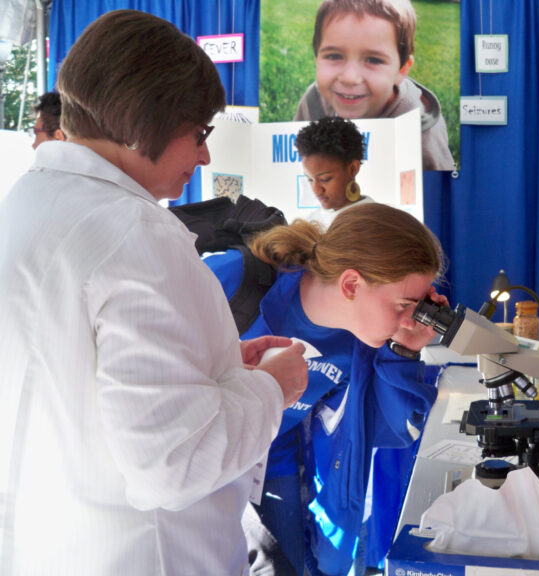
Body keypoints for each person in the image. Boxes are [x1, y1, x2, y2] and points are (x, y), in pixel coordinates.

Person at [0, 10, 308, 576]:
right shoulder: (135, 234)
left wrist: (212, 367)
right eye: (200, 134)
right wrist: (272, 388)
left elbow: (77, 378)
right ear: (145, 126)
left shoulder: (28, 202)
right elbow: (173, 463)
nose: (205, 157)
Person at [206, 203, 446, 575]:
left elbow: (387, 430)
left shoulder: (361, 341)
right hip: (204, 454)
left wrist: (404, 350)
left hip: (272, 457)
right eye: (404, 305)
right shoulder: (234, 281)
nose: (407, 319)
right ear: (351, 285)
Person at [293, 0, 454, 172]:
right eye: (334, 56)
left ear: (401, 70)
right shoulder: (313, 103)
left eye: (373, 60)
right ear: (317, 59)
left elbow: (439, 183)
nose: (350, 78)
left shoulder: (420, 130)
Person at [296, 116, 373, 229]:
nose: (316, 190)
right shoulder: (310, 223)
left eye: (325, 179)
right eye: (310, 180)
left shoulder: (377, 222)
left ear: (353, 169)